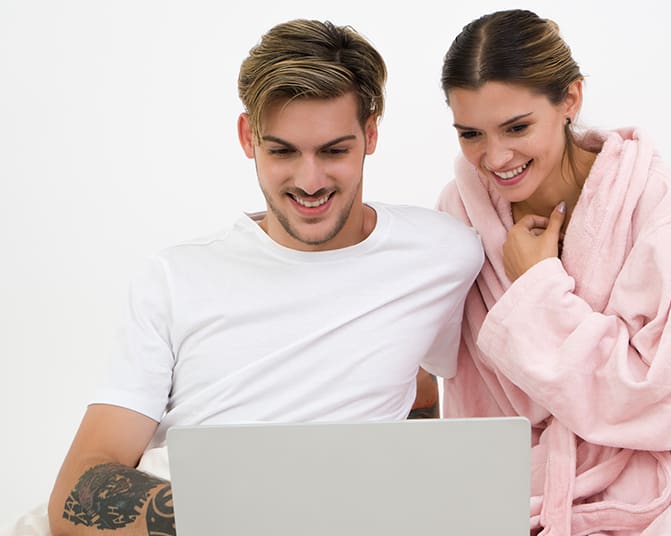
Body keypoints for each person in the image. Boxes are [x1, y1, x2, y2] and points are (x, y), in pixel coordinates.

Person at [45, 18, 483, 536]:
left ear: (370, 134)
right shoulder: (174, 277)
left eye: (334, 150)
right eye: (282, 151)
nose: (310, 180)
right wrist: (247, 511)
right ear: (247, 137)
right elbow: (80, 488)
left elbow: (423, 388)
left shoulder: (445, 252)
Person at [436, 9, 671, 535]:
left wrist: (538, 288)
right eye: (471, 133)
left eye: (517, 127)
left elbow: (663, 402)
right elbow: (476, 402)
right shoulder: (465, 214)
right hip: (542, 484)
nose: (495, 157)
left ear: (570, 99)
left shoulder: (662, 204)